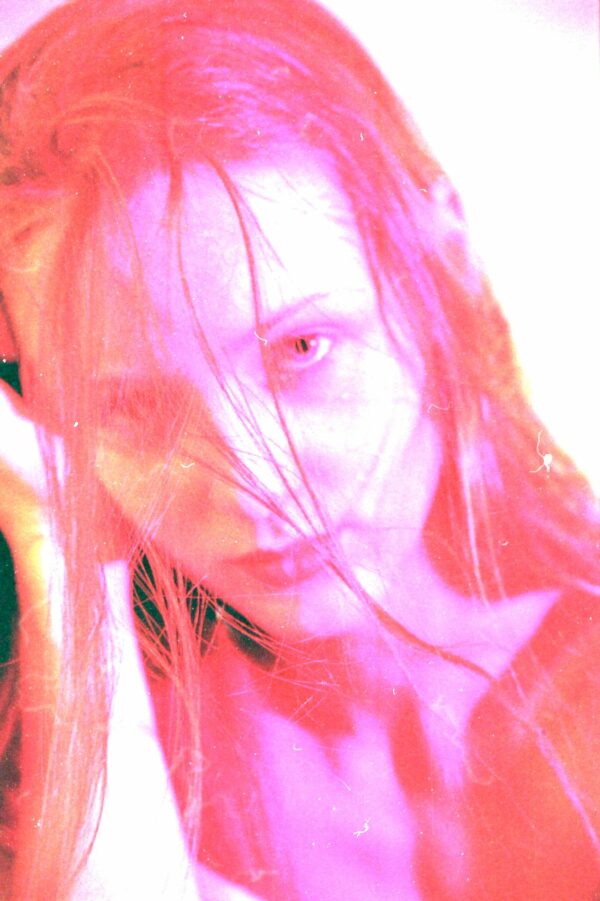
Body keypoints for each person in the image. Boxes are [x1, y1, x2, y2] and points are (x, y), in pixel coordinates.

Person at [0, 0, 598, 897]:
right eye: (129, 405)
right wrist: (61, 552)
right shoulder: (93, 740)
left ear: (443, 259)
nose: (254, 489)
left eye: (301, 350)